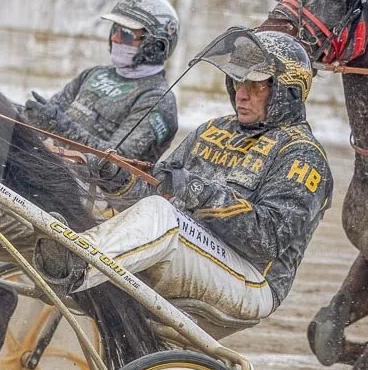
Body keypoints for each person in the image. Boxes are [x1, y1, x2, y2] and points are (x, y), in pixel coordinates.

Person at [35, 28, 332, 327]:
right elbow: (156, 190)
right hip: (191, 248)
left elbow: (268, 240)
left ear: (286, 91)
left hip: (252, 280)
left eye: (256, 86)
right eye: (238, 81)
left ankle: (74, 264)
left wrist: (195, 190)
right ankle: (70, 259)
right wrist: (117, 177)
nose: (241, 93)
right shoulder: (213, 129)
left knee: (162, 216)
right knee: (131, 210)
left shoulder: (303, 155)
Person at [22, 0, 180, 191]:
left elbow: (115, 162)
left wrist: (59, 125)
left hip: (98, 197)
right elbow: (50, 112)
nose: (115, 37)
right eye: (115, 29)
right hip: (51, 168)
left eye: (126, 34)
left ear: (154, 45)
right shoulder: (95, 74)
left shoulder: (157, 100)